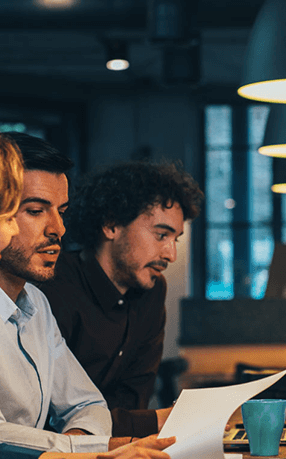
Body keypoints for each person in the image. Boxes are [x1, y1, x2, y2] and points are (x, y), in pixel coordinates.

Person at [0, 117, 173, 459]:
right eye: (28, 212)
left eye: (61, 212)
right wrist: (93, 453)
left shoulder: (27, 301)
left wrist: (92, 455)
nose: (59, 229)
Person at [40, 161, 203, 435]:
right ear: (111, 224)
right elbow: (51, 418)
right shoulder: (53, 285)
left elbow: (135, 398)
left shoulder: (152, 292)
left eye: (175, 239)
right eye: (161, 235)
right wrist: (157, 420)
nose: (171, 254)